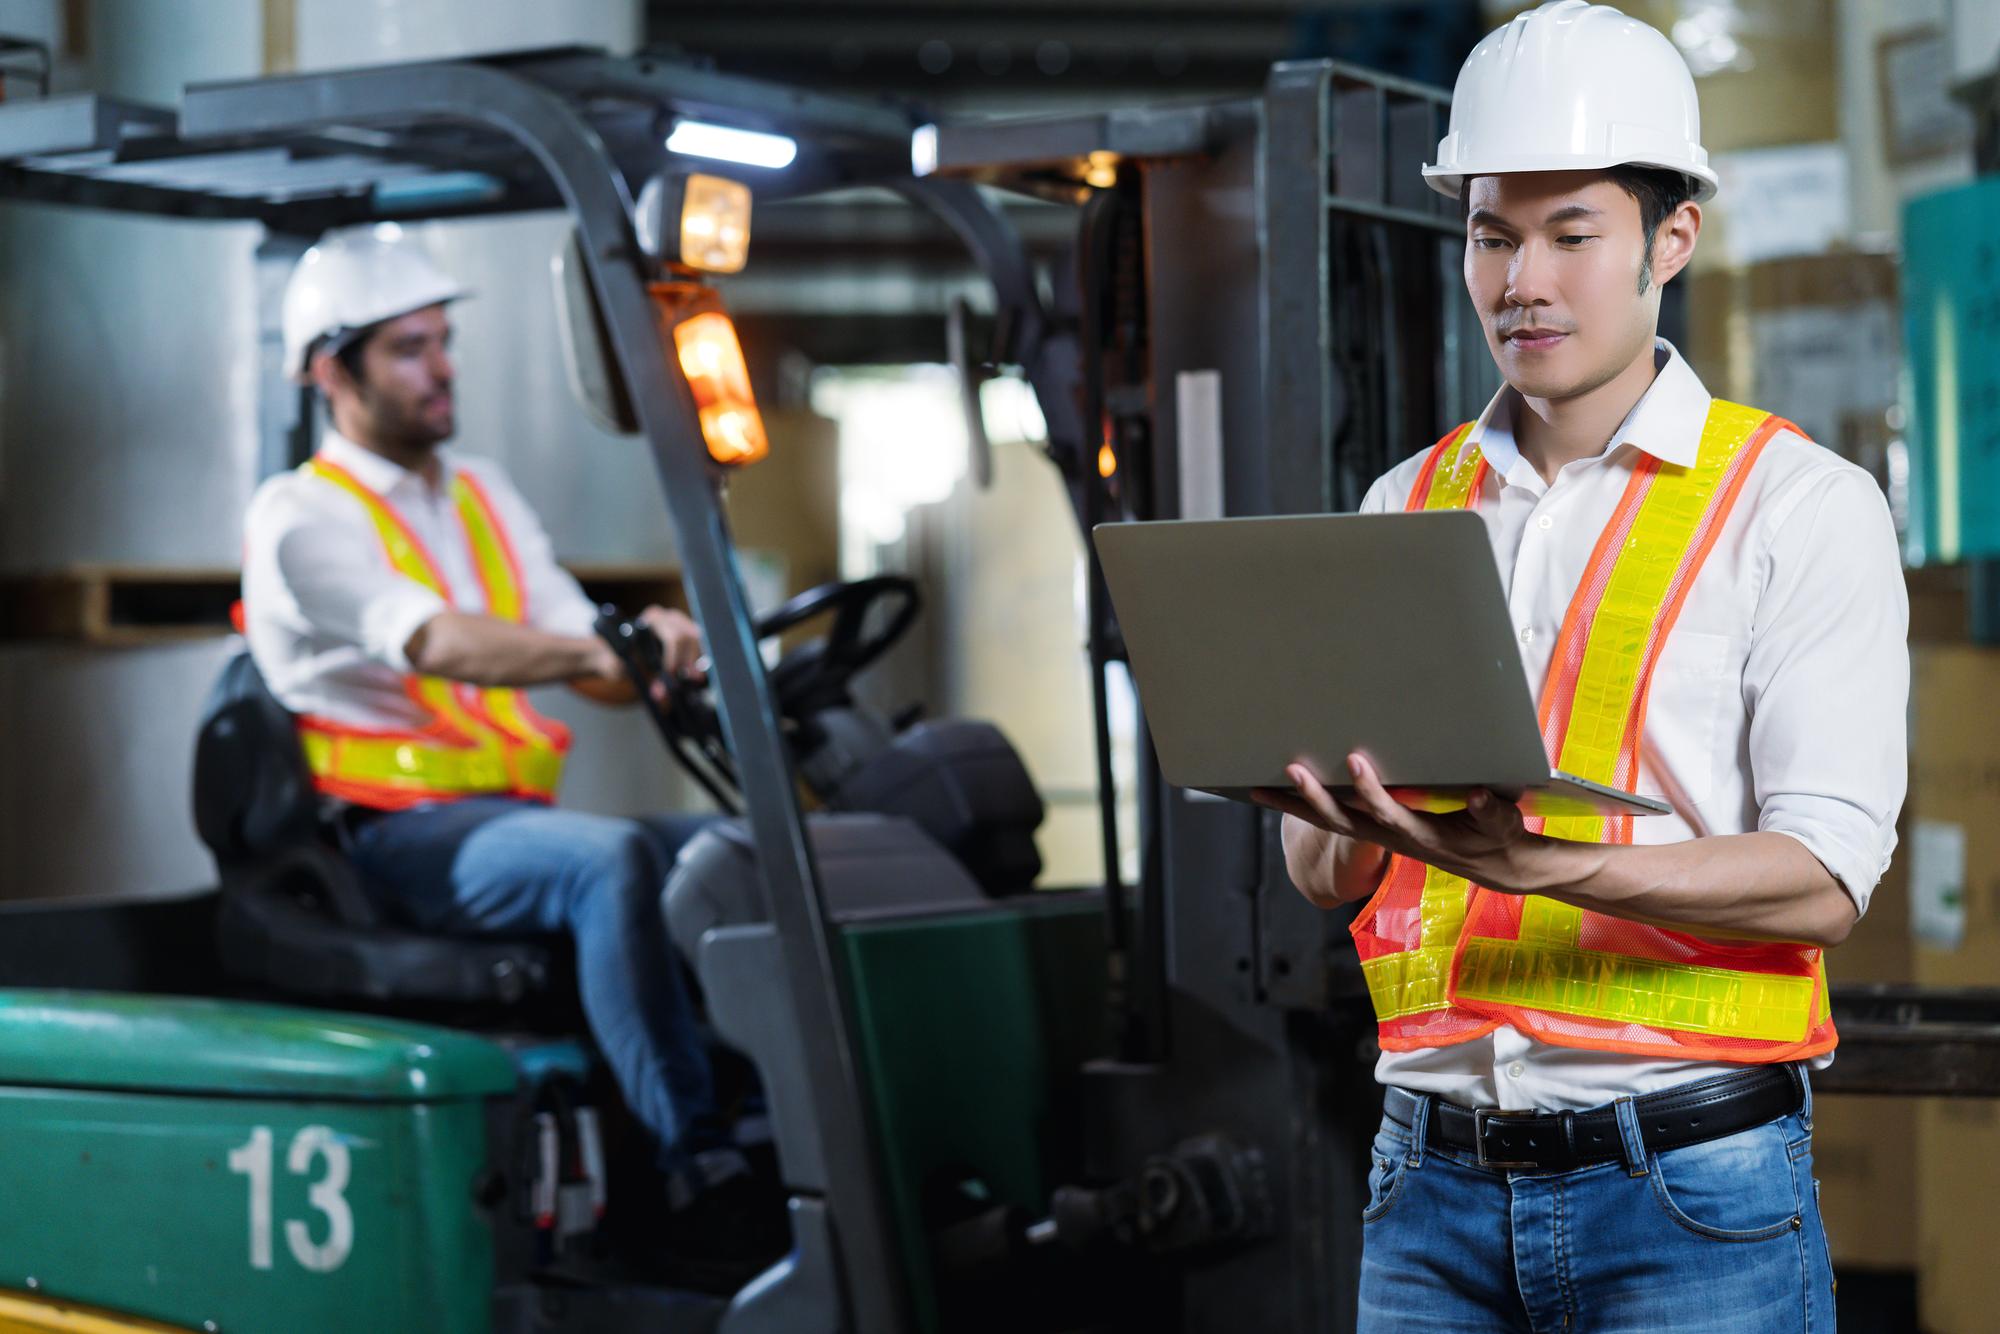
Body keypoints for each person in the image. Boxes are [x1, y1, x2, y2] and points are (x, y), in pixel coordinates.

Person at [1254, 4, 1905, 1329]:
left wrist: (1550, 866)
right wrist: (1324, 814)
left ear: (1673, 239)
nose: (1522, 281)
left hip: (1687, 1190)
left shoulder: (1797, 504)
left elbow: (1828, 873)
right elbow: (1328, 879)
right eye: (1492, 235)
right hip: (1424, 1181)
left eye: (1570, 234)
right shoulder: (1401, 503)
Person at [240, 226, 754, 1246]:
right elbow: (438, 640)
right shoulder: (300, 517)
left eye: (442, 341)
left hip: (500, 821)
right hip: (386, 836)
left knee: (720, 850)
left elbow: (570, 636)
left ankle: (774, 1112)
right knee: (603, 861)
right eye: (408, 349)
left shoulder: (481, 493)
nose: (443, 368)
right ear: (331, 370)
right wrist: (598, 653)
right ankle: (697, 1160)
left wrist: (647, 651)